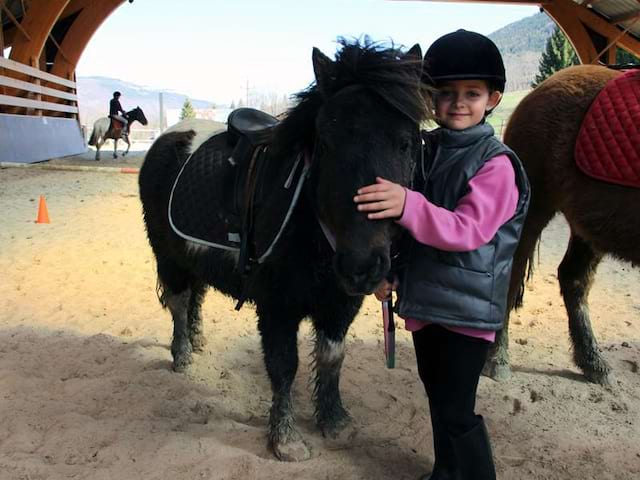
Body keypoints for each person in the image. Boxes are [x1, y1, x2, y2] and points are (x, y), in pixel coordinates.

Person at [353, 30, 530, 480]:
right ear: (431, 99)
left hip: (467, 313)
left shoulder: (496, 164)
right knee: (436, 395)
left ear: (492, 99)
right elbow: (411, 231)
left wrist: (407, 203)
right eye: (446, 94)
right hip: (427, 303)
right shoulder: (426, 149)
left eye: (471, 94)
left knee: (457, 410)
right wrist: (391, 270)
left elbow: (468, 230)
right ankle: (445, 473)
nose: (457, 103)